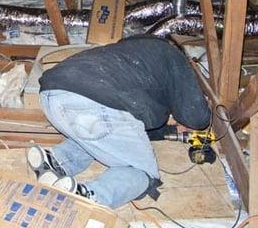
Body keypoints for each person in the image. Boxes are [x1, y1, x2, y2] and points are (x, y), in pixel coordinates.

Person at [27, 35, 211, 209]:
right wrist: (202, 107)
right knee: (143, 173)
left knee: (103, 137)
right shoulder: (172, 55)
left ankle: (55, 162)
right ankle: (90, 196)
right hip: (94, 105)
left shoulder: (130, 52)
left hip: (51, 96)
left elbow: (130, 129)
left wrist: (169, 127)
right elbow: (197, 116)